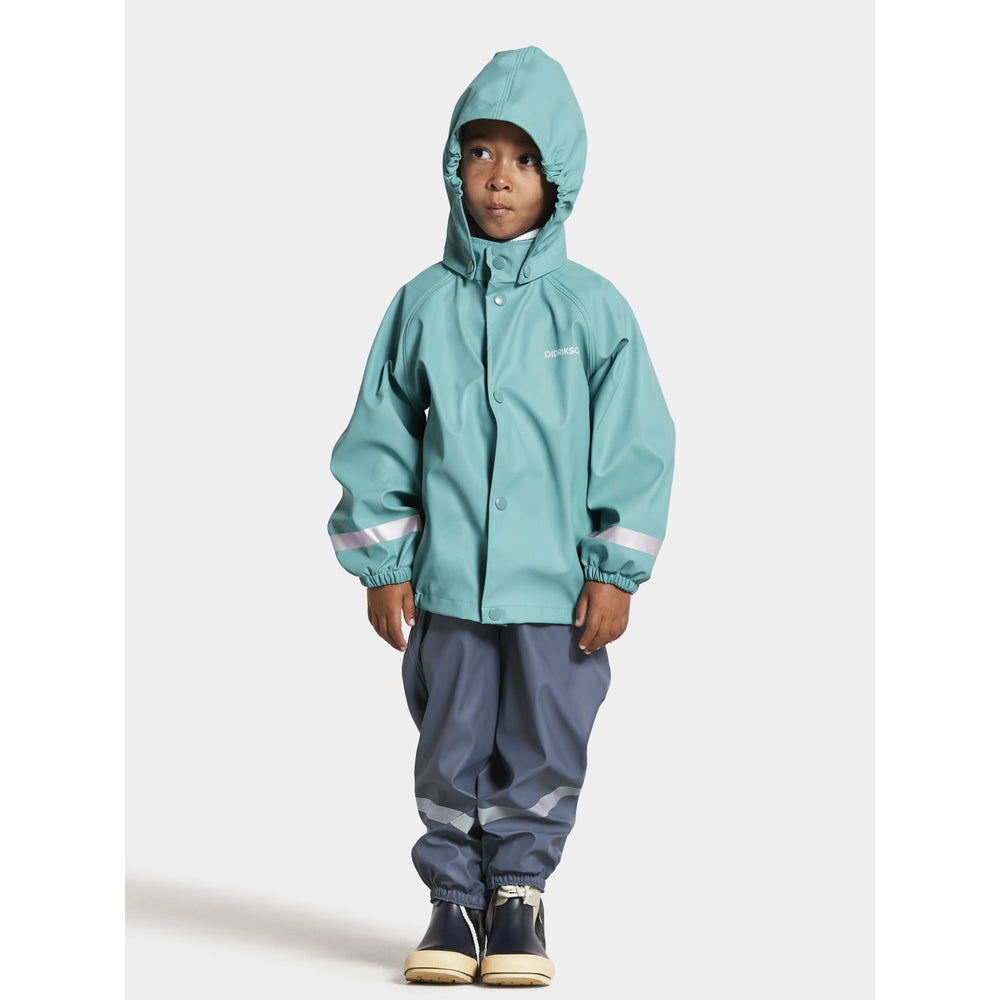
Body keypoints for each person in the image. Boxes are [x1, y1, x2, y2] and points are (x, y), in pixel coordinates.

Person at [327, 45, 676, 987]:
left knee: (545, 740)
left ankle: (519, 896)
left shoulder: (592, 310)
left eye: (523, 158)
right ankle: (452, 900)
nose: (498, 177)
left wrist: (615, 572)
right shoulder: (422, 305)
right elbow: (379, 436)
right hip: (447, 589)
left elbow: (637, 446)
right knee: (449, 741)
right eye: (479, 152)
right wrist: (383, 564)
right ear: (453, 165)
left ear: (558, 176)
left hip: (558, 597)